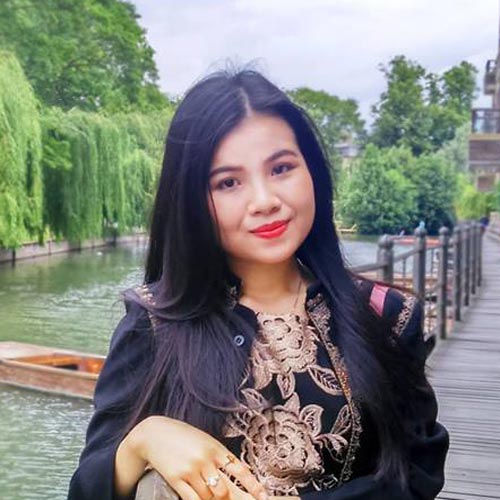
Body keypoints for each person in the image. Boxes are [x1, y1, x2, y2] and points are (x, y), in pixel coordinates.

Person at [68, 68, 448, 500]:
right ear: (191, 200)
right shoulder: (153, 324)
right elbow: (87, 487)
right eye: (228, 182)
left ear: (313, 173)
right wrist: (143, 440)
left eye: (281, 168)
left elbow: (417, 473)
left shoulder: (385, 316)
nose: (265, 201)